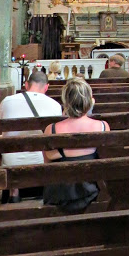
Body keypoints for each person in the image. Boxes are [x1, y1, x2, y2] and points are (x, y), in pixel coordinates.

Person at [43, 78, 110, 212]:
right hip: (92, 190)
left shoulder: (52, 129)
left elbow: (47, 164)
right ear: (89, 100)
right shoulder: (102, 126)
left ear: (66, 101)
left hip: (60, 194)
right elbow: (106, 160)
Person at [0, 70, 62, 202]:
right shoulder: (55, 105)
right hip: (41, 160)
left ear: (26, 84)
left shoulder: (8, 101)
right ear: (47, 87)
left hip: (11, 161)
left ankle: (14, 192)